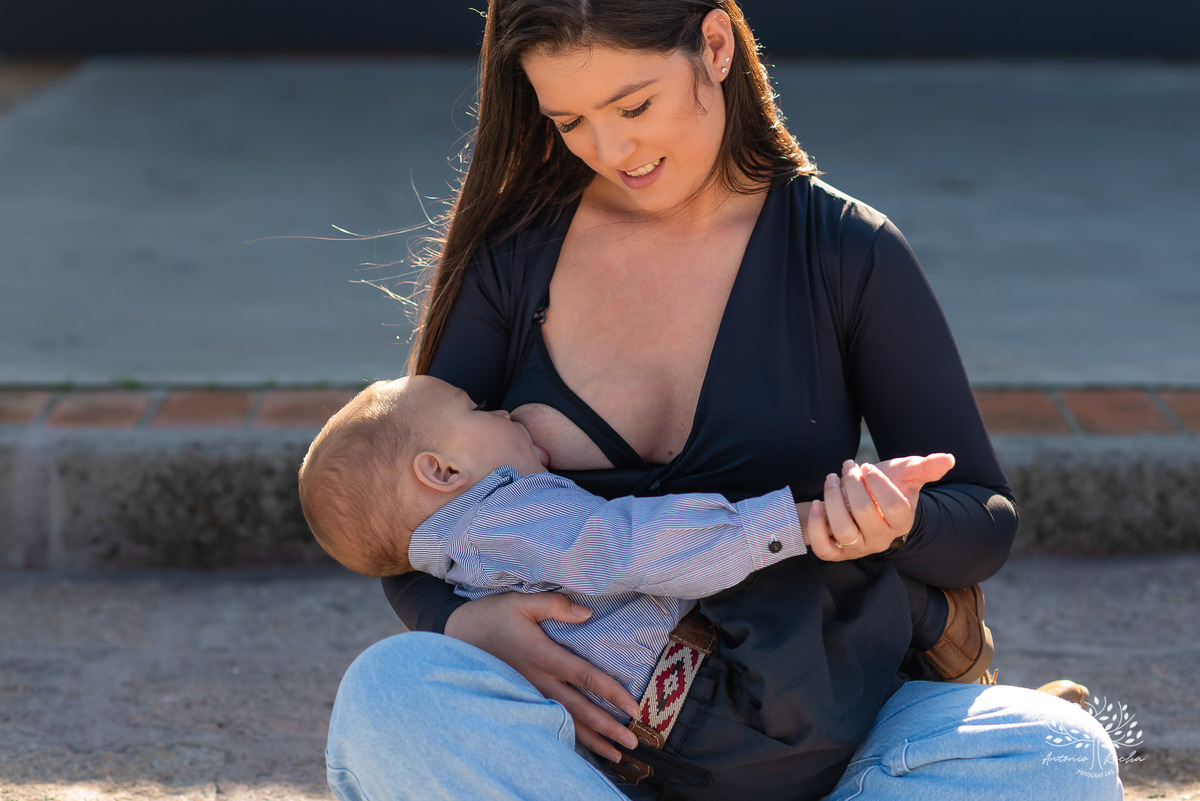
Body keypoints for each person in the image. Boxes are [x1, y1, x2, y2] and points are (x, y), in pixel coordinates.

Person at [324, 1, 1122, 799]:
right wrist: (459, 623)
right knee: (388, 692)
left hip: (829, 740)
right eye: (569, 121)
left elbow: (982, 519)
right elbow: (403, 515)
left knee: (1059, 751)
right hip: (579, 761)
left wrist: (895, 523)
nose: (612, 149)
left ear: (713, 44)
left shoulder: (846, 250)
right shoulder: (515, 257)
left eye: (634, 106)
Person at [298, 375, 978, 731]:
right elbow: (620, 543)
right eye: (480, 409)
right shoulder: (502, 514)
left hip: (663, 740)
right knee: (809, 581)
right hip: (728, 696)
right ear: (440, 471)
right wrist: (787, 521)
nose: (504, 412)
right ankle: (938, 627)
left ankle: (956, 702)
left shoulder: (461, 562)